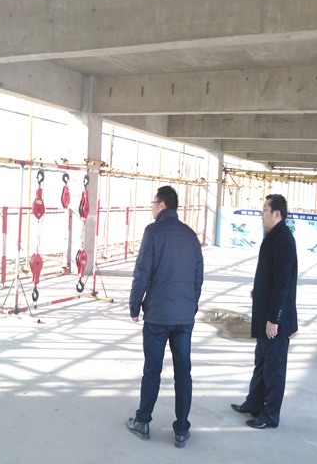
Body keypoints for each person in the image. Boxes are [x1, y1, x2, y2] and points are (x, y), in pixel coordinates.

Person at [126, 185, 203, 448]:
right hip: (184, 318)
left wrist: (135, 305)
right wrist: (191, 306)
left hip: (158, 316)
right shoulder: (191, 235)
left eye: (153, 202)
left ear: (162, 205)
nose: (151, 207)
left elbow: (142, 272)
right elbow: (198, 277)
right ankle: (181, 430)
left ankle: (142, 422)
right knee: (183, 372)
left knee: (152, 369)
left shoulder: (153, 232)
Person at [231, 194, 297, 429]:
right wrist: (258, 289)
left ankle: (270, 415)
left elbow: (282, 284)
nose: (261, 215)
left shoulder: (284, 240)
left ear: (276, 213)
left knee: (274, 369)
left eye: (265, 210)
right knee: (261, 363)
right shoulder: (273, 236)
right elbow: (270, 274)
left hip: (274, 321)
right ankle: (254, 403)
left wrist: (273, 319)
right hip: (265, 314)